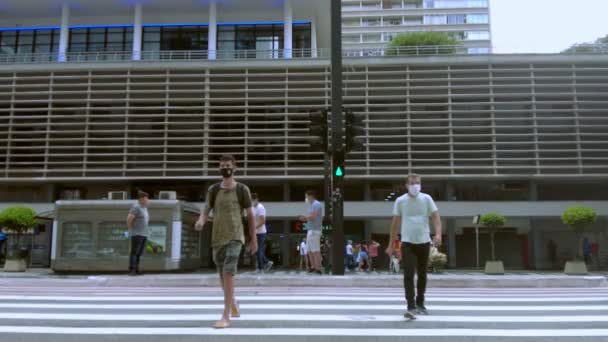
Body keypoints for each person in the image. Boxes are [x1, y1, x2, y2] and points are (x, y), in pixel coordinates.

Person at [195, 154, 257, 329]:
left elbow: (251, 215)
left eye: (228, 165)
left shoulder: (242, 189)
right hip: (217, 238)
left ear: (234, 168)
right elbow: (206, 209)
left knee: (229, 272)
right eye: (222, 165)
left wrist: (253, 239)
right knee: (223, 276)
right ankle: (234, 303)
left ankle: (225, 316)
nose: (225, 168)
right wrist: (201, 220)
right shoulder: (213, 190)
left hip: (235, 237)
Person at [386, 174, 442, 320]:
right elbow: (395, 224)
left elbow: (436, 217)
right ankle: (411, 306)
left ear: (421, 184)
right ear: (406, 185)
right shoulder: (400, 201)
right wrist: (391, 244)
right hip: (408, 243)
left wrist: (438, 235)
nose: (415, 185)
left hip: (424, 241)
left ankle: (421, 303)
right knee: (408, 275)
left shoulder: (426, 198)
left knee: (422, 275)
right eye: (412, 183)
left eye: (417, 183)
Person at [298, 190, 323, 274]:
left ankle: (318, 268)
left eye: (306, 196)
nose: (306, 198)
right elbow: (311, 217)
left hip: (315, 230)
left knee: (316, 250)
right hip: (310, 229)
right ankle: (312, 267)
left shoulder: (316, 204)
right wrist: (305, 218)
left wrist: (304, 218)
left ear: (310, 196)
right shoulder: (311, 205)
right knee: (309, 250)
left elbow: (313, 216)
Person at [126, 191, 150, 276]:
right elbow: (129, 218)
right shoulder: (136, 207)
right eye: (146, 199)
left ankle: (136, 269)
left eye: (147, 199)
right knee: (134, 252)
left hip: (143, 234)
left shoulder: (144, 208)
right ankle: (132, 270)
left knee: (139, 253)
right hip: (137, 233)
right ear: (141, 199)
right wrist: (130, 229)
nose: (148, 200)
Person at [252, 193, 273, 273]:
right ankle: (266, 263)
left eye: (252, 200)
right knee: (256, 250)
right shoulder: (252, 207)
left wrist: (255, 227)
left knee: (258, 249)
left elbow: (263, 221)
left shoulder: (261, 208)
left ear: (256, 199)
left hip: (261, 232)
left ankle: (261, 267)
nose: (252, 202)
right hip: (255, 231)